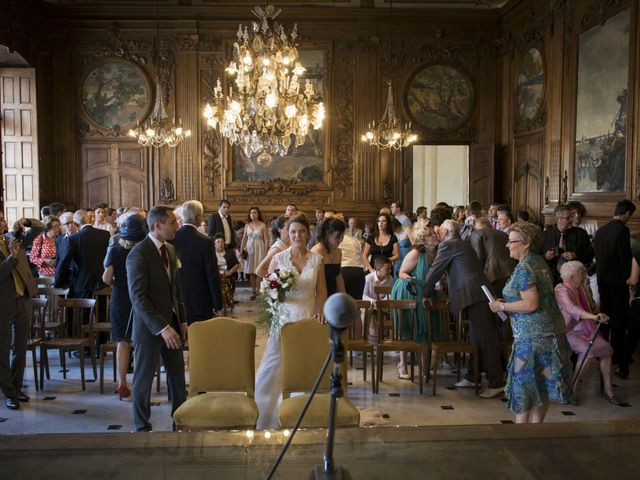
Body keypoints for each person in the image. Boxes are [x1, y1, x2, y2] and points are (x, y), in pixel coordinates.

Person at [488, 221, 573, 423]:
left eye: (511, 241)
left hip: (532, 340)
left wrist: (502, 307)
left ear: (526, 244)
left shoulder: (526, 267)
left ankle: (522, 434)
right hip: (548, 336)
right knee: (542, 383)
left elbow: (531, 303)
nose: (507, 245)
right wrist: (508, 302)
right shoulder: (538, 262)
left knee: (523, 385)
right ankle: (536, 431)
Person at [254, 214, 327, 429]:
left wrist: (319, 312)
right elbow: (266, 280)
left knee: (303, 362)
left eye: (302, 231)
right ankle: (267, 410)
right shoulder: (279, 257)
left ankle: (302, 412)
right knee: (276, 362)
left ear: (308, 233)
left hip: (307, 315)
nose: (298, 235)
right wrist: (273, 293)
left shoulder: (317, 260)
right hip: (284, 318)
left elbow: (321, 291)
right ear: (287, 233)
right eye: (293, 231)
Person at [423, 219, 505, 399]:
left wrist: (425, 293)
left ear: (445, 232)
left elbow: (435, 271)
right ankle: (472, 376)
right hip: (475, 294)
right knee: (476, 338)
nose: (437, 235)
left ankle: (496, 382)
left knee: (487, 338)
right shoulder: (461, 244)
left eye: (439, 232)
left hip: (476, 295)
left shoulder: (448, 245)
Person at [127, 206, 187, 432]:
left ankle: (179, 423)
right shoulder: (139, 253)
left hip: (172, 323)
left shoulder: (170, 250)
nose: (177, 226)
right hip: (149, 328)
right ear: (158, 226)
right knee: (143, 381)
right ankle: (142, 427)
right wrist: (161, 327)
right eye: (172, 222)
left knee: (178, 379)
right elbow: (138, 297)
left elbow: (176, 290)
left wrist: (182, 320)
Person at [554, 261, 621, 405]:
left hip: (586, 328)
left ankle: (608, 391)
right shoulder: (561, 289)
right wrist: (593, 317)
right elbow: (571, 308)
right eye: (581, 274)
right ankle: (573, 389)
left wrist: (596, 311)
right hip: (569, 331)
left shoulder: (581, 289)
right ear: (571, 277)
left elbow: (591, 308)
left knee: (606, 350)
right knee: (587, 352)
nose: (584, 277)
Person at [102, 214, 148, 400]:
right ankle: (138, 383)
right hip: (142, 297)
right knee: (140, 342)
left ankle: (122, 382)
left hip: (121, 297)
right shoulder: (146, 250)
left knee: (122, 341)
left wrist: (118, 285)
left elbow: (106, 278)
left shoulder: (115, 250)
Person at [391, 219, 440, 378]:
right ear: (423, 238)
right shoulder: (416, 253)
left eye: (434, 234)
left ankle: (425, 369)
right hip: (409, 290)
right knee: (408, 327)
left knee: (425, 329)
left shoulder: (436, 253)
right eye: (431, 235)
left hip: (425, 291)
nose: (435, 237)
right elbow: (402, 273)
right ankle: (402, 364)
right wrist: (421, 282)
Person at [593, 199, 636, 379]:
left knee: (605, 316)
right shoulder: (622, 230)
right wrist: (629, 278)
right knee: (619, 320)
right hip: (618, 282)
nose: (629, 218)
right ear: (627, 213)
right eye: (630, 215)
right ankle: (617, 356)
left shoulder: (601, 230)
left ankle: (602, 351)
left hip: (602, 280)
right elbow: (624, 257)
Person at [0, 231, 38, 410]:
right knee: (3, 349)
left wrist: (26, 224)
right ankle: (8, 392)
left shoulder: (13, 240)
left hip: (22, 298)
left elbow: (38, 229)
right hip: (3, 302)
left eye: (2, 220)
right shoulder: (10, 247)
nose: (1, 223)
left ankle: (16, 387)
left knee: (21, 348)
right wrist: (11, 257)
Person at [170, 200, 223, 324]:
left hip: (176, 296)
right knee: (201, 337)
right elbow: (212, 274)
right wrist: (218, 303)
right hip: (200, 296)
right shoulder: (206, 241)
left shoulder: (171, 239)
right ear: (198, 217)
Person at [54, 210, 109, 298]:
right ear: (89, 220)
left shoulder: (73, 238)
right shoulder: (105, 234)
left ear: (75, 223)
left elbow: (64, 262)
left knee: (85, 310)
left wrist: (58, 283)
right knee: (102, 310)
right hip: (102, 281)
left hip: (82, 282)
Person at [542, 205, 594, 285]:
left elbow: (590, 255)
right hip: (550, 279)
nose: (571, 220)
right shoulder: (545, 235)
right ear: (559, 219)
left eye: (571, 217)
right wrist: (545, 257)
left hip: (574, 281)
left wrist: (576, 255)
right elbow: (535, 257)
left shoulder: (581, 234)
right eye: (568, 218)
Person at [311, 216, 346, 296]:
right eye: (337, 237)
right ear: (327, 234)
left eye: (342, 236)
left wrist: (344, 297)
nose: (341, 240)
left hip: (333, 296)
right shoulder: (317, 250)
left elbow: (338, 277)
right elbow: (314, 283)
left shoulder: (338, 252)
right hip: (319, 295)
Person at [240, 207, 269, 300]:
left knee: (258, 271)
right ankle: (253, 291)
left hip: (259, 248)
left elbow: (266, 239)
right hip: (249, 249)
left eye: (255, 212)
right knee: (251, 271)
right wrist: (241, 250)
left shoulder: (263, 225)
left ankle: (259, 290)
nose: (252, 214)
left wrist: (266, 251)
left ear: (258, 214)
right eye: (251, 212)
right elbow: (244, 239)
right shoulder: (247, 226)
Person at [214, 234, 241, 311]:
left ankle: (227, 301)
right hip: (216, 275)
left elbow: (237, 264)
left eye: (222, 242)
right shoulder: (211, 254)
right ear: (214, 244)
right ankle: (218, 303)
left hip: (227, 275)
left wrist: (231, 271)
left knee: (227, 282)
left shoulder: (229, 253)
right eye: (218, 242)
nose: (220, 244)